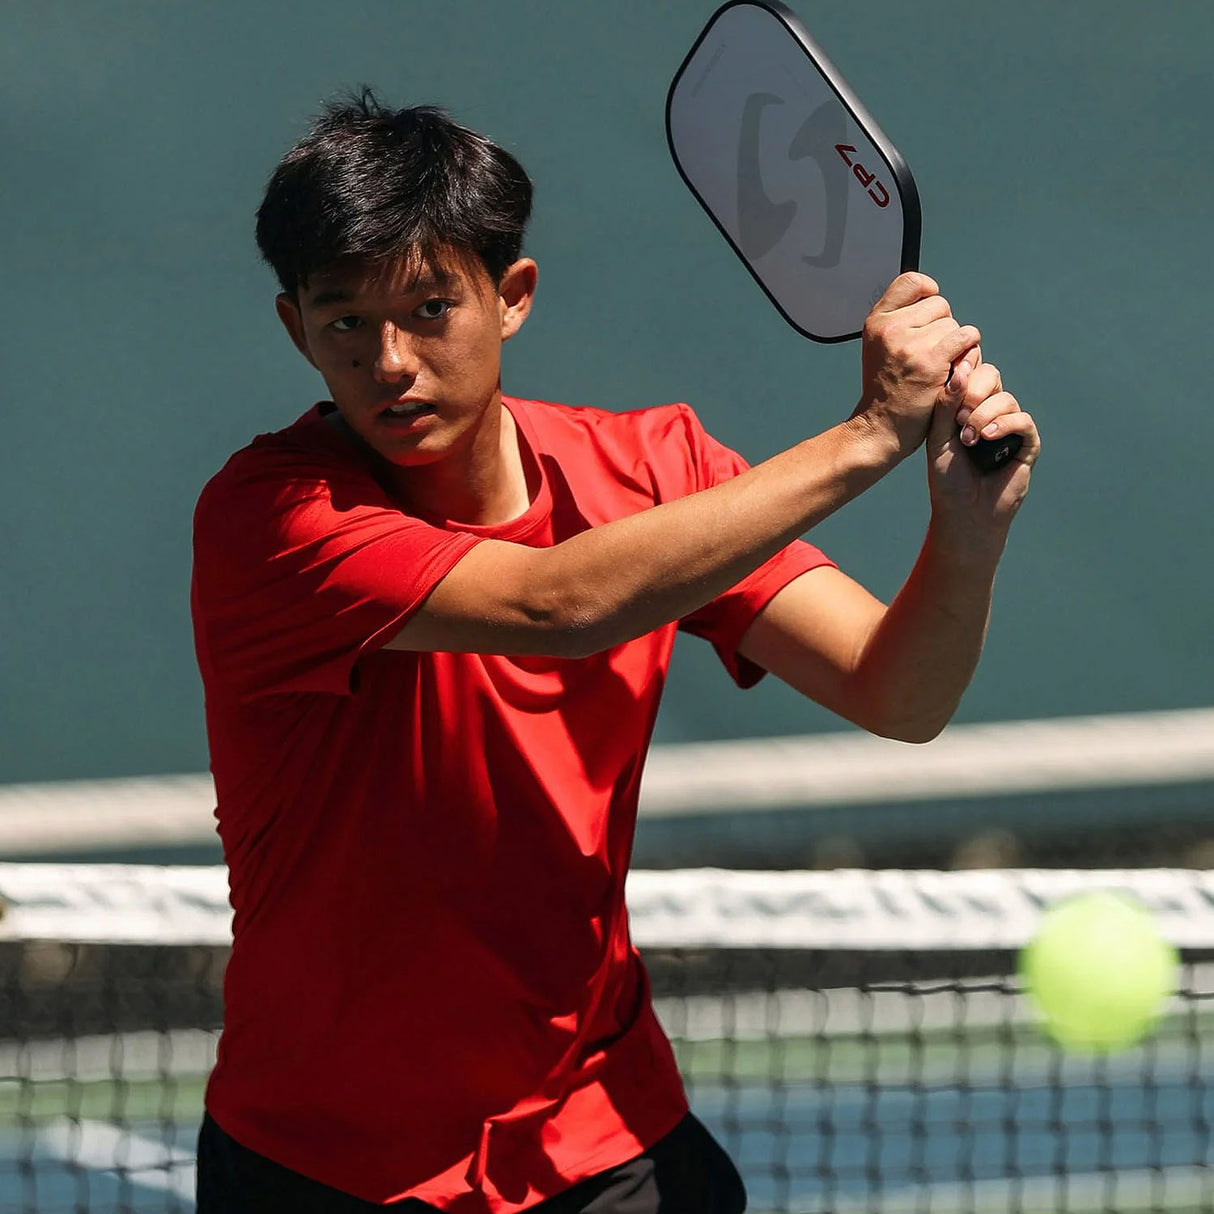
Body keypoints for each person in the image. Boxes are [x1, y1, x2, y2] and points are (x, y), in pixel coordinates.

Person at [190, 91, 1039, 1214]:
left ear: (512, 298)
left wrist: (968, 530)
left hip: (603, 1140)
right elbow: (556, 603)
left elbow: (897, 689)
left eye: (430, 306)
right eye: (345, 320)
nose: (389, 361)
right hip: (324, 1163)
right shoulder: (272, 519)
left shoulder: (655, 472)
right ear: (297, 327)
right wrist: (868, 434)